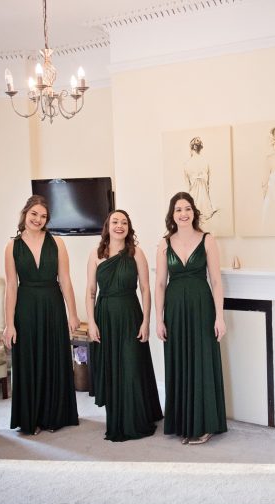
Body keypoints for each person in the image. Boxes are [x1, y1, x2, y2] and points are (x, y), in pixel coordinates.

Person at [3, 195, 80, 435]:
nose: (38, 219)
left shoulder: (57, 242)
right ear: (25, 213)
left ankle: (54, 416)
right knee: (29, 360)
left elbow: (65, 280)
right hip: (25, 309)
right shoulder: (12, 246)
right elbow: (11, 287)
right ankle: (31, 418)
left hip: (52, 305)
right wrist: (8, 324)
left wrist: (73, 314)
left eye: (43, 216)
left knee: (54, 357)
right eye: (34, 214)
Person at [155, 191, 227, 444]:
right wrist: (158, 319)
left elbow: (216, 281)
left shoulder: (207, 239)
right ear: (172, 215)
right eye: (178, 209)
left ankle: (204, 425)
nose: (183, 214)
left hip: (201, 307)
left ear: (193, 212)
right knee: (179, 361)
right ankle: (184, 424)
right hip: (174, 310)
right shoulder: (164, 243)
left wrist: (219, 317)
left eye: (187, 209)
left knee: (201, 361)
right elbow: (160, 284)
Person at [85, 209, 163, 441]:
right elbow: (90, 292)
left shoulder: (136, 253)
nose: (120, 225)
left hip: (130, 314)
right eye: (115, 222)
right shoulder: (96, 255)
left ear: (129, 228)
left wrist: (146, 321)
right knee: (112, 368)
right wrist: (91, 322)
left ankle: (137, 418)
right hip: (105, 316)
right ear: (107, 226)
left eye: (124, 222)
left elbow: (146, 289)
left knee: (131, 366)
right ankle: (117, 417)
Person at [183, 136, 218, 223]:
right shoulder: (205, 162)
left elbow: (187, 186)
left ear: (192, 148)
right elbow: (210, 184)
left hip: (193, 197)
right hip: (205, 199)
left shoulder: (187, 164)